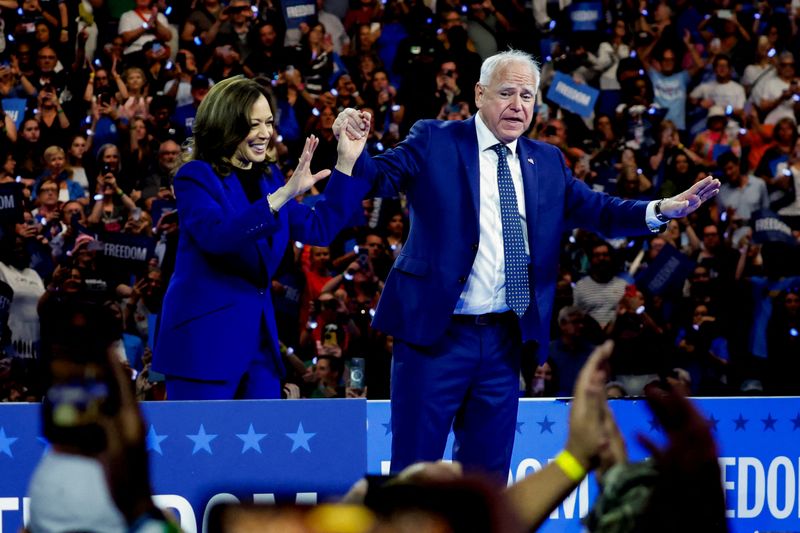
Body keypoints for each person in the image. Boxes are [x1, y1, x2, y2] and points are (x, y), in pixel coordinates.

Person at [334, 49, 721, 478]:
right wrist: (353, 154)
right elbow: (381, 177)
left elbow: (601, 210)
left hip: (503, 342)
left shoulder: (548, 160)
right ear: (479, 94)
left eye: (527, 95)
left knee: (487, 479)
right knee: (414, 473)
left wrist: (661, 208)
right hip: (433, 338)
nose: (518, 106)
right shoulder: (435, 139)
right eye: (506, 93)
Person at [152, 76, 370, 400]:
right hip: (203, 345)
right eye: (254, 124)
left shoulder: (270, 177)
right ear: (226, 124)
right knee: (204, 450)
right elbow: (217, 237)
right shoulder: (195, 176)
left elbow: (318, 228)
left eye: (268, 122)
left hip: (260, 350)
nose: (266, 133)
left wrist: (346, 161)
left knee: (266, 447)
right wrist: (282, 196)